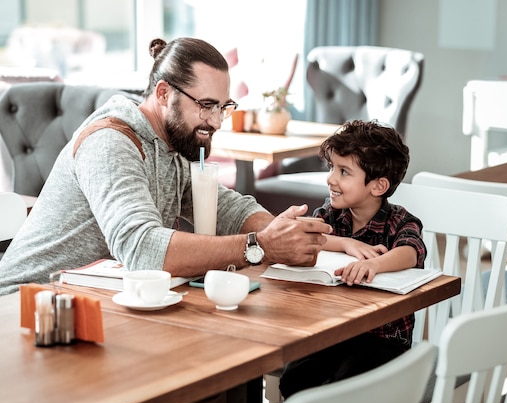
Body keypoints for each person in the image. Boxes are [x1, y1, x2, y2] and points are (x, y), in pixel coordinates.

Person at [0, 37, 331, 296]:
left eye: (222, 107)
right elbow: (143, 248)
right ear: (163, 93)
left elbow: (228, 207)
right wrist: (259, 246)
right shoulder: (111, 143)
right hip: (26, 307)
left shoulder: (170, 145)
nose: (215, 121)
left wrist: (285, 233)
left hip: (95, 303)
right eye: (205, 106)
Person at [279, 119, 427, 398]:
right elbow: (310, 235)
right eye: (332, 167)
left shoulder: (399, 221)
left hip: (383, 341)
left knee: (346, 385)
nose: (331, 179)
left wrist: (373, 264)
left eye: (344, 171)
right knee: (295, 379)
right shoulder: (331, 215)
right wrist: (346, 243)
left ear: (378, 186)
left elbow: (410, 251)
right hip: (332, 331)